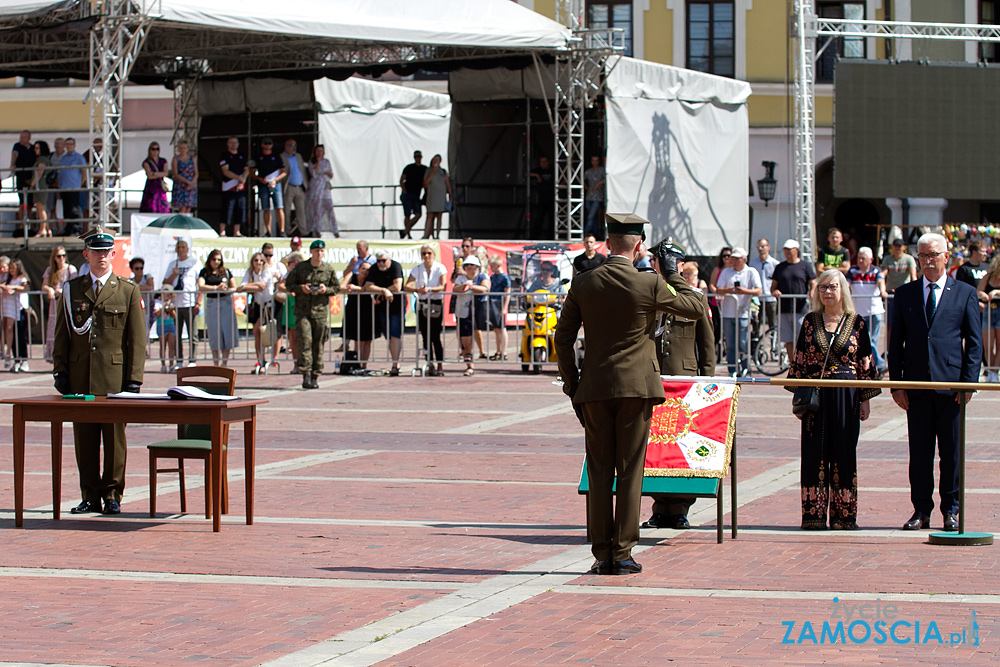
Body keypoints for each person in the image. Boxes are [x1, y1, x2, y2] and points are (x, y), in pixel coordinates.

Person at [554, 213, 706, 576]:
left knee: (600, 470)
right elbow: (696, 308)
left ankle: (601, 552)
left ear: (607, 243)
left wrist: (572, 383)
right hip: (637, 388)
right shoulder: (649, 284)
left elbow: (562, 339)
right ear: (638, 246)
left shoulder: (585, 282)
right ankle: (622, 552)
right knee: (630, 471)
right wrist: (673, 273)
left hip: (594, 388)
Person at [889, 233, 983, 532]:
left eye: (934, 255)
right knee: (919, 453)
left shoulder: (965, 293)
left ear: (946, 257)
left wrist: (967, 385)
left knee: (952, 453)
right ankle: (921, 510)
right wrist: (897, 385)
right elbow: (896, 344)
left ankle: (951, 510)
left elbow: (975, 344)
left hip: (951, 389)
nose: (928, 261)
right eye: (923, 256)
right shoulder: (905, 294)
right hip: (916, 388)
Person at [52, 228, 145, 516]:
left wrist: (133, 379)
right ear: (86, 254)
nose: (101, 257)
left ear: (113, 255)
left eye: (107, 252)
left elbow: (137, 340)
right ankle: (89, 495)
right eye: (96, 252)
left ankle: (113, 494)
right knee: (85, 438)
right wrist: (60, 371)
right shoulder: (72, 289)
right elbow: (62, 335)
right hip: (81, 376)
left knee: (115, 439)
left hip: (114, 379)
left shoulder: (127, 290)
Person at [787, 269, 881, 530]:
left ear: (843, 290)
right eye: (823, 288)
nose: (828, 292)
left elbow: (865, 361)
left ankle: (844, 516)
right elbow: (800, 360)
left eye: (833, 287)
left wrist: (865, 399)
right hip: (816, 395)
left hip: (846, 394)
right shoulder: (810, 321)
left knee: (844, 453)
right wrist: (798, 398)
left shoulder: (857, 322)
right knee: (813, 454)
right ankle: (813, 516)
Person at [642, 239, 716, 531]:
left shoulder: (694, 295)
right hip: (654, 376)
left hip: (685, 379)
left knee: (681, 445)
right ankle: (660, 508)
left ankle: (681, 508)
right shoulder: (648, 289)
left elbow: (706, 342)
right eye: (658, 261)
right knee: (657, 445)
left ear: (680, 265)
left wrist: (708, 380)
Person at [285, 239, 339, 389]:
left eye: (321, 251)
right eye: (316, 251)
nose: (319, 253)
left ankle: (316, 375)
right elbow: (289, 284)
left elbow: (336, 287)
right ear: (311, 252)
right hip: (303, 311)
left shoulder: (328, 269)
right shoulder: (301, 267)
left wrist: (324, 289)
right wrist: (302, 288)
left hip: (320, 312)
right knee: (304, 341)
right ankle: (306, 374)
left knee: (318, 344)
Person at [715, 247, 762, 376]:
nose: (734, 261)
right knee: (730, 343)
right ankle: (732, 368)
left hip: (743, 312)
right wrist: (729, 290)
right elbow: (718, 289)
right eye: (733, 259)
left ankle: (746, 367)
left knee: (743, 342)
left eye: (737, 259)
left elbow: (759, 290)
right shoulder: (726, 272)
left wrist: (745, 291)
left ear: (744, 260)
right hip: (728, 313)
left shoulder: (751, 271)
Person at [405, 245, 448, 375]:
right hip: (422, 303)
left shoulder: (440, 268)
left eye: (429, 253)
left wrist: (429, 289)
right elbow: (407, 285)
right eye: (424, 253)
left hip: (435, 303)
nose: (426, 256)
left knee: (435, 335)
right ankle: (430, 363)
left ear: (433, 254)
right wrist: (416, 290)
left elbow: (443, 286)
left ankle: (440, 364)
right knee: (425, 336)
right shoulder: (417, 269)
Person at [771, 239, 817, 361]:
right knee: (788, 340)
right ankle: (793, 364)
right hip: (784, 308)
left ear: (796, 250)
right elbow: (773, 286)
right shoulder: (780, 267)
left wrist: (812, 292)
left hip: (800, 308)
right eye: (785, 250)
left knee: (802, 338)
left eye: (789, 250)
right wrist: (775, 292)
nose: (786, 252)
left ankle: (804, 362)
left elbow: (813, 282)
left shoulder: (805, 265)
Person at [239, 251, 283, 374]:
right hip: (257, 305)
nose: (258, 263)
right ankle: (260, 360)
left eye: (261, 261)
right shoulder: (250, 272)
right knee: (257, 332)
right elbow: (242, 285)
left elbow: (262, 286)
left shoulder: (267, 271)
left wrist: (248, 286)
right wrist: (250, 285)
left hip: (268, 305)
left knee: (268, 331)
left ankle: (273, 358)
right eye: (256, 260)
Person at [846, 247, 888, 373]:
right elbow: (847, 284)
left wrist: (883, 291)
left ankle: (874, 365)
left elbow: (881, 282)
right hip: (859, 312)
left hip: (875, 311)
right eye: (859, 258)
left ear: (871, 260)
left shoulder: (876, 270)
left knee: (872, 341)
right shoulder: (852, 271)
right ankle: (879, 364)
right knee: (867, 340)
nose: (860, 260)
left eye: (863, 258)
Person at [162, 239, 201, 370]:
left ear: (187, 249)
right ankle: (179, 360)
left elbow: (200, 284)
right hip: (176, 304)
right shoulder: (173, 264)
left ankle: (192, 359)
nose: (181, 249)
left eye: (183, 247)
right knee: (177, 333)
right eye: (179, 247)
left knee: (192, 334)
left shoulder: (194, 263)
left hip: (190, 303)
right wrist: (174, 273)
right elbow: (165, 281)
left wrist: (198, 302)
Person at [364, 249, 405, 376]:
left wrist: (385, 291)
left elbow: (397, 286)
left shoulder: (395, 266)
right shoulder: (374, 269)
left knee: (395, 334)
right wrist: (384, 291)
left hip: (396, 305)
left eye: (384, 261)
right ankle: (394, 361)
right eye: (379, 261)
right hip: (382, 306)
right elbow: (368, 286)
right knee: (388, 335)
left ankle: (395, 363)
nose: (381, 264)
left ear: (389, 260)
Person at [197, 249, 238, 366]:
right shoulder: (204, 272)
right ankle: (216, 362)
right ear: (210, 260)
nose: (216, 262)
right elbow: (201, 286)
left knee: (227, 331)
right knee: (214, 332)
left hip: (225, 302)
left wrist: (226, 290)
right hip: (212, 302)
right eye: (214, 259)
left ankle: (225, 362)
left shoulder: (226, 272)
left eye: (219, 259)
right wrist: (216, 288)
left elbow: (233, 286)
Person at [453, 256, 490, 376]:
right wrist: (465, 286)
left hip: (479, 309)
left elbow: (485, 288)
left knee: (477, 331)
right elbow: (455, 289)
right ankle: (469, 365)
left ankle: (481, 352)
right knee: (465, 338)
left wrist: (471, 286)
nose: (469, 267)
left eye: (472, 265)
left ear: (477, 266)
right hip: (464, 310)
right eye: (467, 265)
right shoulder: (461, 278)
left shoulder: (483, 276)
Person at [42, 246, 79, 361]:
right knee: (54, 328)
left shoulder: (71, 269)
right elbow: (43, 285)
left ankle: (67, 355)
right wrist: (49, 290)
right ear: (54, 258)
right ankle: (55, 356)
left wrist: (62, 291)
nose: (61, 258)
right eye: (58, 256)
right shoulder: (50, 270)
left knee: (67, 328)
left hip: (68, 303)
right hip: (55, 305)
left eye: (63, 255)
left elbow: (75, 286)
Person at [880, 238, 918, 344]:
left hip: (905, 294)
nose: (897, 248)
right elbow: (883, 275)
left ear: (904, 247)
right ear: (892, 247)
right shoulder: (888, 259)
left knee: (907, 323)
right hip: (891, 294)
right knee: (889, 324)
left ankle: (906, 348)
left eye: (899, 246)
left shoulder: (909, 259)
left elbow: (913, 275)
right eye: (895, 246)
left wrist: (915, 290)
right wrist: (880, 286)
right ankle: (888, 351)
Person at [340, 260, 375, 370]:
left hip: (367, 309)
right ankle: (356, 364)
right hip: (353, 309)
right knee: (357, 339)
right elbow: (341, 286)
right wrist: (349, 288)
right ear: (359, 269)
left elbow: (367, 288)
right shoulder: (352, 276)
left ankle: (364, 365)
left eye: (368, 269)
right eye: (363, 268)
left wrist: (356, 288)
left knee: (367, 340)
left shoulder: (371, 279)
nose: (365, 271)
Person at [2, 259, 31, 372]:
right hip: (10, 311)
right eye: (11, 268)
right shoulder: (8, 279)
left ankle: (24, 360)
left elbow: (26, 287)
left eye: (14, 268)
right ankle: (16, 360)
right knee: (12, 335)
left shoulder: (22, 278)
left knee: (21, 335)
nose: (12, 270)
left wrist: (13, 289)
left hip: (20, 309)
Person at [253, 138, 286, 236]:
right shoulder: (258, 157)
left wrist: (275, 180)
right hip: (263, 185)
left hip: (276, 184)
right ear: (262, 145)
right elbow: (252, 172)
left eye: (269, 144)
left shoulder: (276, 157)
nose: (268, 145)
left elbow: (284, 172)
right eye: (266, 144)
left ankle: (282, 231)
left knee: (279, 207)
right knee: (266, 208)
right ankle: (268, 231)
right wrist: (260, 179)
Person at [219, 137, 249, 237]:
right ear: (227, 144)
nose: (234, 144)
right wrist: (238, 178)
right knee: (227, 207)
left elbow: (246, 169)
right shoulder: (224, 155)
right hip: (229, 185)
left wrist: (242, 180)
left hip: (240, 186)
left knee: (240, 208)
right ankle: (223, 231)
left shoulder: (241, 155)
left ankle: (237, 231)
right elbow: (225, 171)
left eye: (235, 142)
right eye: (231, 142)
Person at [306, 144, 338, 237]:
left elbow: (330, 174)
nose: (319, 153)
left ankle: (334, 230)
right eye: (318, 151)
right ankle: (317, 229)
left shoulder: (326, 162)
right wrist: (318, 162)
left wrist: (325, 173)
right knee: (317, 209)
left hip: (325, 188)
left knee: (329, 207)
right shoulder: (312, 162)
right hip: (316, 188)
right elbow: (314, 173)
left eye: (321, 151)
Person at [977, 253, 1000, 383]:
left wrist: (996, 292)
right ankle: (990, 369)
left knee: (999, 344)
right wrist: (983, 295)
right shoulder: (988, 277)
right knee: (987, 344)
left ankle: (995, 372)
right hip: (989, 311)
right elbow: (978, 291)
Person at [749, 238, 779, 334]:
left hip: (771, 298)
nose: (760, 248)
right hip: (757, 298)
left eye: (762, 246)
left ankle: (773, 345)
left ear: (768, 247)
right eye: (758, 247)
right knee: (756, 323)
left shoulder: (775, 263)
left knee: (772, 323)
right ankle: (757, 345)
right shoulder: (753, 263)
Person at [58, 138, 88, 235]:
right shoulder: (63, 158)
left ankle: (77, 229)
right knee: (66, 210)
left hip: (74, 187)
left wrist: (80, 184)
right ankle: (68, 229)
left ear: (74, 145)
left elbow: (84, 172)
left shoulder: (79, 158)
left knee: (75, 209)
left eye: (70, 144)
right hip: (64, 187)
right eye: (67, 144)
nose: (68, 146)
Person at [281, 138, 310, 237]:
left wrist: (305, 185)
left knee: (301, 211)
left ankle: (304, 232)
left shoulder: (298, 156)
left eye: (294, 145)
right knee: (287, 210)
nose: (293, 147)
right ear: (286, 146)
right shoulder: (282, 157)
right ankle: (287, 231)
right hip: (288, 187)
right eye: (291, 145)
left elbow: (303, 170)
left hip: (299, 187)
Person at [422, 154, 451, 239]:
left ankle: (437, 235)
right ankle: (426, 234)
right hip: (432, 196)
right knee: (430, 215)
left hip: (440, 196)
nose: (436, 161)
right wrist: (433, 171)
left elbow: (447, 183)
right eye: (435, 159)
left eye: (438, 160)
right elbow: (425, 184)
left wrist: (450, 194)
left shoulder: (443, 171)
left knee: (439, 215)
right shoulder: (428, 170)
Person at [487, 255, 510, 361]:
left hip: (500, 303)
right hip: (493, 303)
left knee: (502, 328)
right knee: (496, 329)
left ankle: (504, 351)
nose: (491, 268)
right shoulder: (492, 277)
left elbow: (508, 293)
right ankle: (498, 350)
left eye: (493, 266)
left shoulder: (504, 277)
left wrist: (505, 307)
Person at [128, 256, 155, 346]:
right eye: (137, 268)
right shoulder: (130, 281)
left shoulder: (147, 277)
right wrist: (142, 288)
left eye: (141, 268)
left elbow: (150, 286)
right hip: (135, 310)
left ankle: (144, 348)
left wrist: (136, 288)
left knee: (146, 330)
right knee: (135, 330)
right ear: (132, 270)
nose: (139, 270)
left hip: (147, 309)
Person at [399, 150, 427, 239]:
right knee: (407, 214)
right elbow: (401, 180)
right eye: (416, 156)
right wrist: (404, 191)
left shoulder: (424, 169)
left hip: (416, 194)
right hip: (408, 194)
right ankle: (408, 232)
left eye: (418, 156)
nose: (417, 158)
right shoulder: (409, 167)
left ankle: (406, 231)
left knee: (418, 214)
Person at [9, 130, 34, 225]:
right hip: (21, 178)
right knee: (22, 202)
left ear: (28, 138)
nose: (21, 139)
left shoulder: (32, 148)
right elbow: (14, 154)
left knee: (31, 204)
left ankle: (29, 223)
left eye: (23, 137)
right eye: (20, 137)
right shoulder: (17, 146)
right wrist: (12, 165)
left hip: (31, 179)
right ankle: (21, 225)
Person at [29, 140, 53, 237]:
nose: (35, 150)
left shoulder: (43, 159)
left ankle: (42, 230)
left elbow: (39, 172)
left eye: (37, 148)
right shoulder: (41, 159)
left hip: (40, 185)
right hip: (40, 184)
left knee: (40, 207)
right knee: (40, 207)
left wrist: (32, 184)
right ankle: (47, 229)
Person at [139, 142, 169, 213]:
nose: (155, 151)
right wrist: (159, 174)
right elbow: (149, 176)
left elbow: (165, 173)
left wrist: (154, 174)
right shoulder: (146, 162)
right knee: (151, 205)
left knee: (162, 206)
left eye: (157, 149)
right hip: (151, 187)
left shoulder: (163, 161)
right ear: (150, 150)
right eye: (153, 149)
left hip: (160, 186)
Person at [529, 156, 554, 239]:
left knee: (552, 219)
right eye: (541, 162)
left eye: (545, 162)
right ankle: (534, 237)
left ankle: (550, 237)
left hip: (552, 198)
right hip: (541, 199)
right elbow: (526, 173)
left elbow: (564, 176)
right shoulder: (538, 170)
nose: (543, 164)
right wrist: (537, 175)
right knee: (539, 219)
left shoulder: (552, 170)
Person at [170, 139, 198, 214]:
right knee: (182, 207)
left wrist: (192, 183)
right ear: (178, 149)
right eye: (181, 148)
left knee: (188, 207)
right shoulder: (176, 159)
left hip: (190, 184)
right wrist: (187, 182)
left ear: (187, 149)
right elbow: (175, 173)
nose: (183, 150)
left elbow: (196, 172)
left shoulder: (192, 159)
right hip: (180, 184)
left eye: (184, 148)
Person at [583, 155, 606, 238]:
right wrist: (586, 186)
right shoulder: (588, 171)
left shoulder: (601, 170)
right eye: (593, 160)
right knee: (593, 217)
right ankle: (596, 235)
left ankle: (585, 235)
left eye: (596, 160)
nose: (595, 162)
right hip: (589, 196)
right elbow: (582, 179)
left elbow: (607, 178)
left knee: (591, 217)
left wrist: (599, 184)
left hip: (598, 197)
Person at [47, 137, 64, 225]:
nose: (56, 145)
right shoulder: (50, 156)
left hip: (63, 184)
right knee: (51, 207)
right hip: (52, 185)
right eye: (55, 143)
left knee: (62, 207)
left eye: (58, 143)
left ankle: (63, 227)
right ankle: (53, 227)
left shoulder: (66, 156)